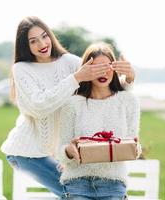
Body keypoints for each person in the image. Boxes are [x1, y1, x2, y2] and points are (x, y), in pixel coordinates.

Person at [0, 16, 135, 198]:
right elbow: (39, 106)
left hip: (57, 152)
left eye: (44, 36)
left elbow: (101, 82)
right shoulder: (22, 69)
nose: (42, 43)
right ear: (26, 46)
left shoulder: (70, 62)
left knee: (77, 192)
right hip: (27, 153)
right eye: (33, 41)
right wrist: (76, 78)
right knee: (74, 191)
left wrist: (128, 78)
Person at [58, 42, 141, 200]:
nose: (102, 72)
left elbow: (133, 144)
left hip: (113, 183)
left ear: (115, 67)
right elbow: (60, 151)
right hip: (77, 182)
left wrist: (136, 148)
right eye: (96, 67)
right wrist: (68, 151)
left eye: (107, 66)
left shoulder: (128, 101)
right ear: (86, 70)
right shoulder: (72, 104)